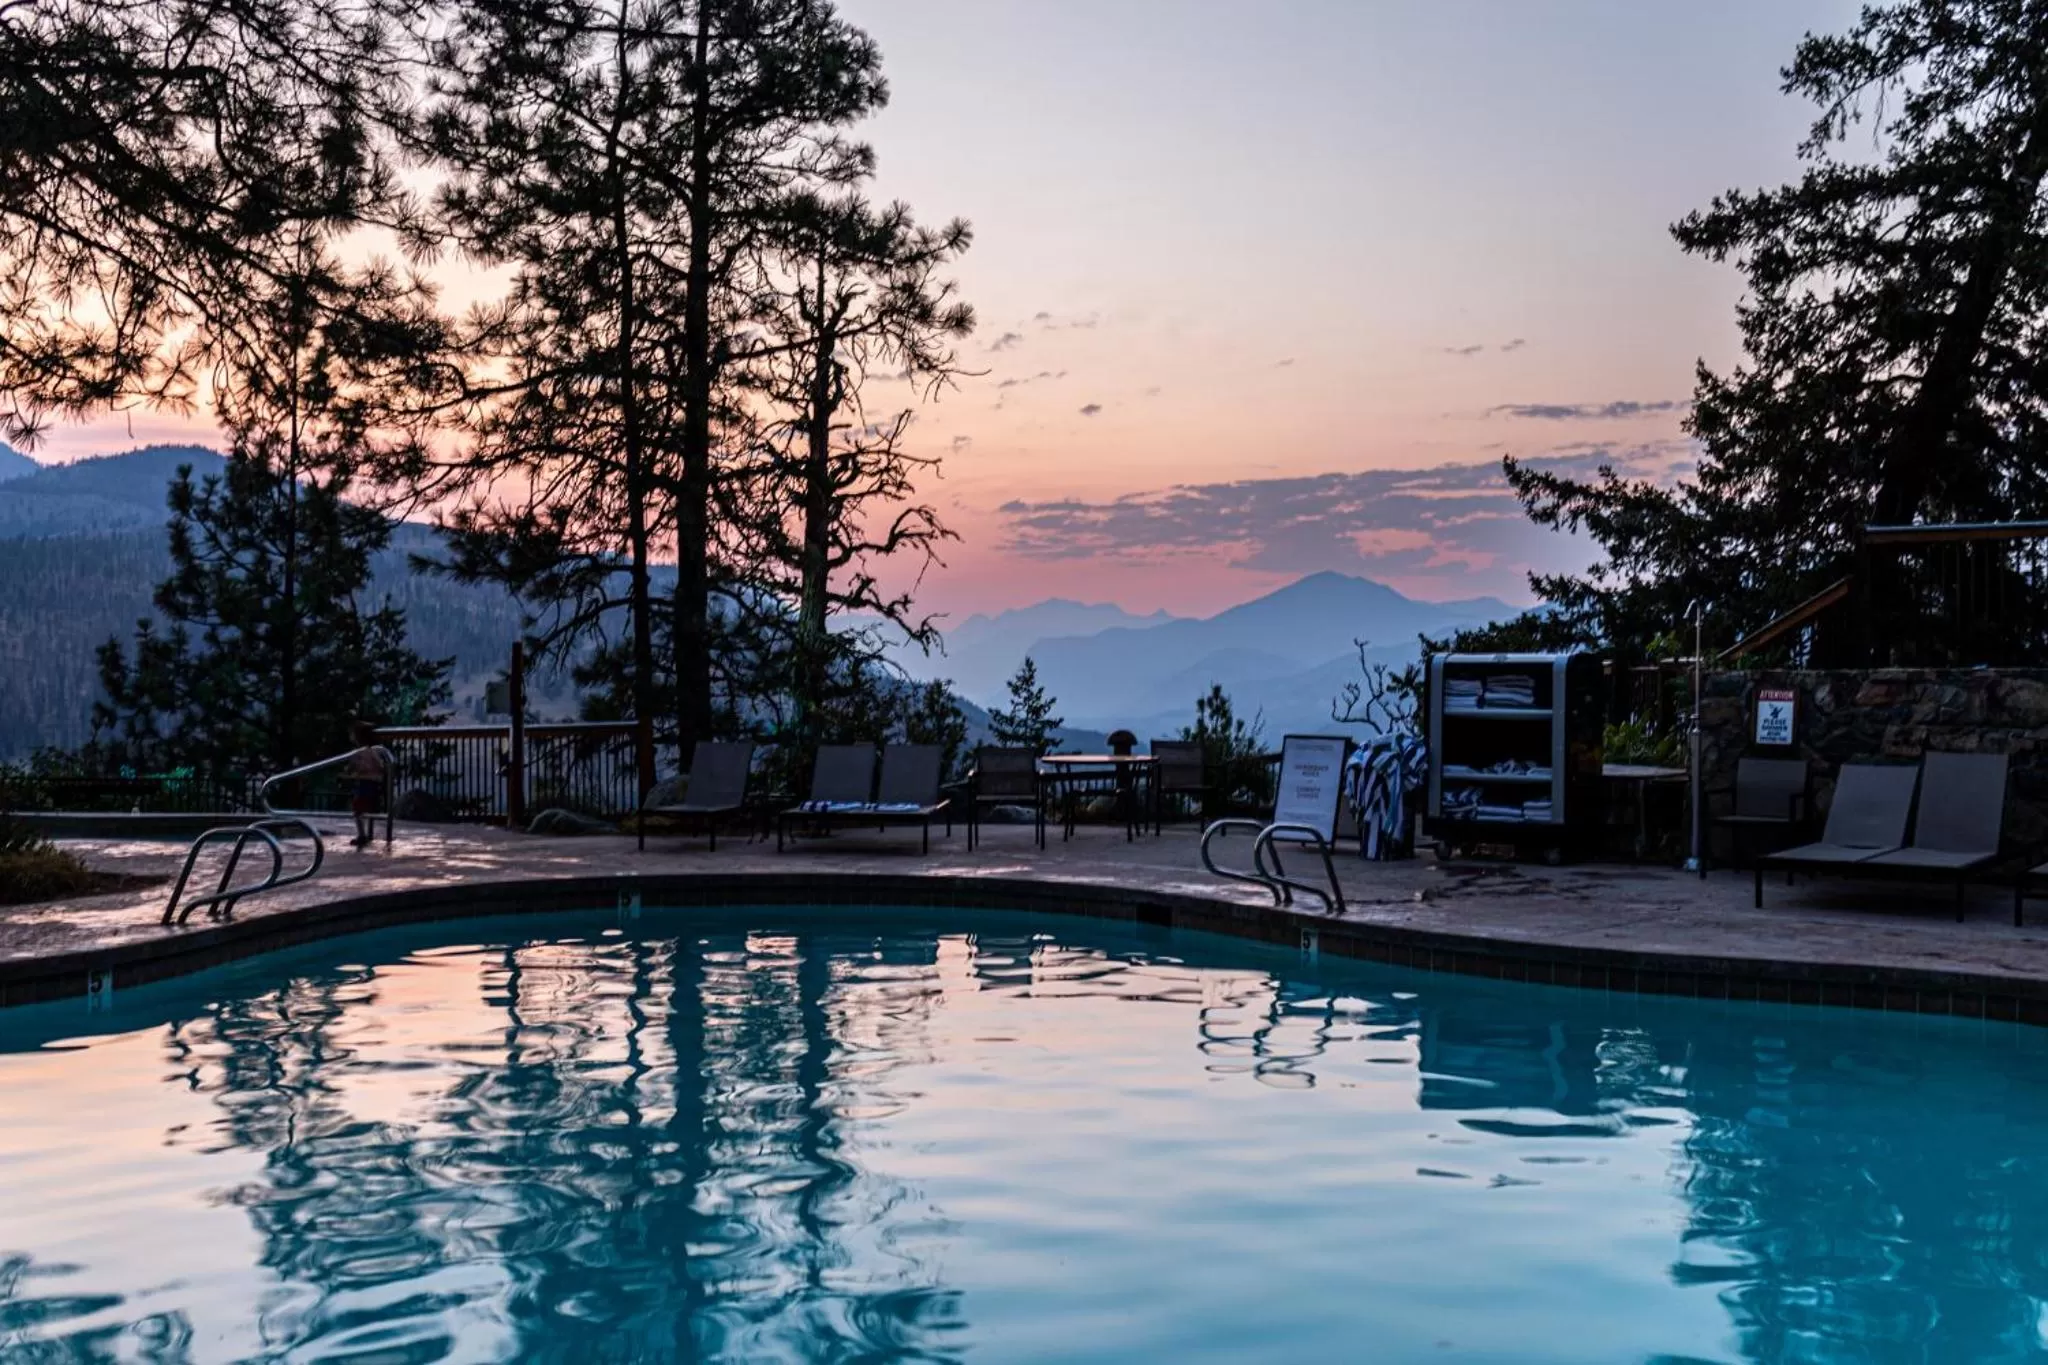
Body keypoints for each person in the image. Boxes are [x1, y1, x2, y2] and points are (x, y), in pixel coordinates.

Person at [343, 721, 389, 849]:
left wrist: (350, 773)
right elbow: (381, 767)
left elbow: (351, 767)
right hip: (373, 782)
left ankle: (362, 834)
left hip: (365, 782)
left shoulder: (359, 752)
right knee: (366, 808)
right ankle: (366, 833)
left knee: (358, 809)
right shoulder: (374, 751)